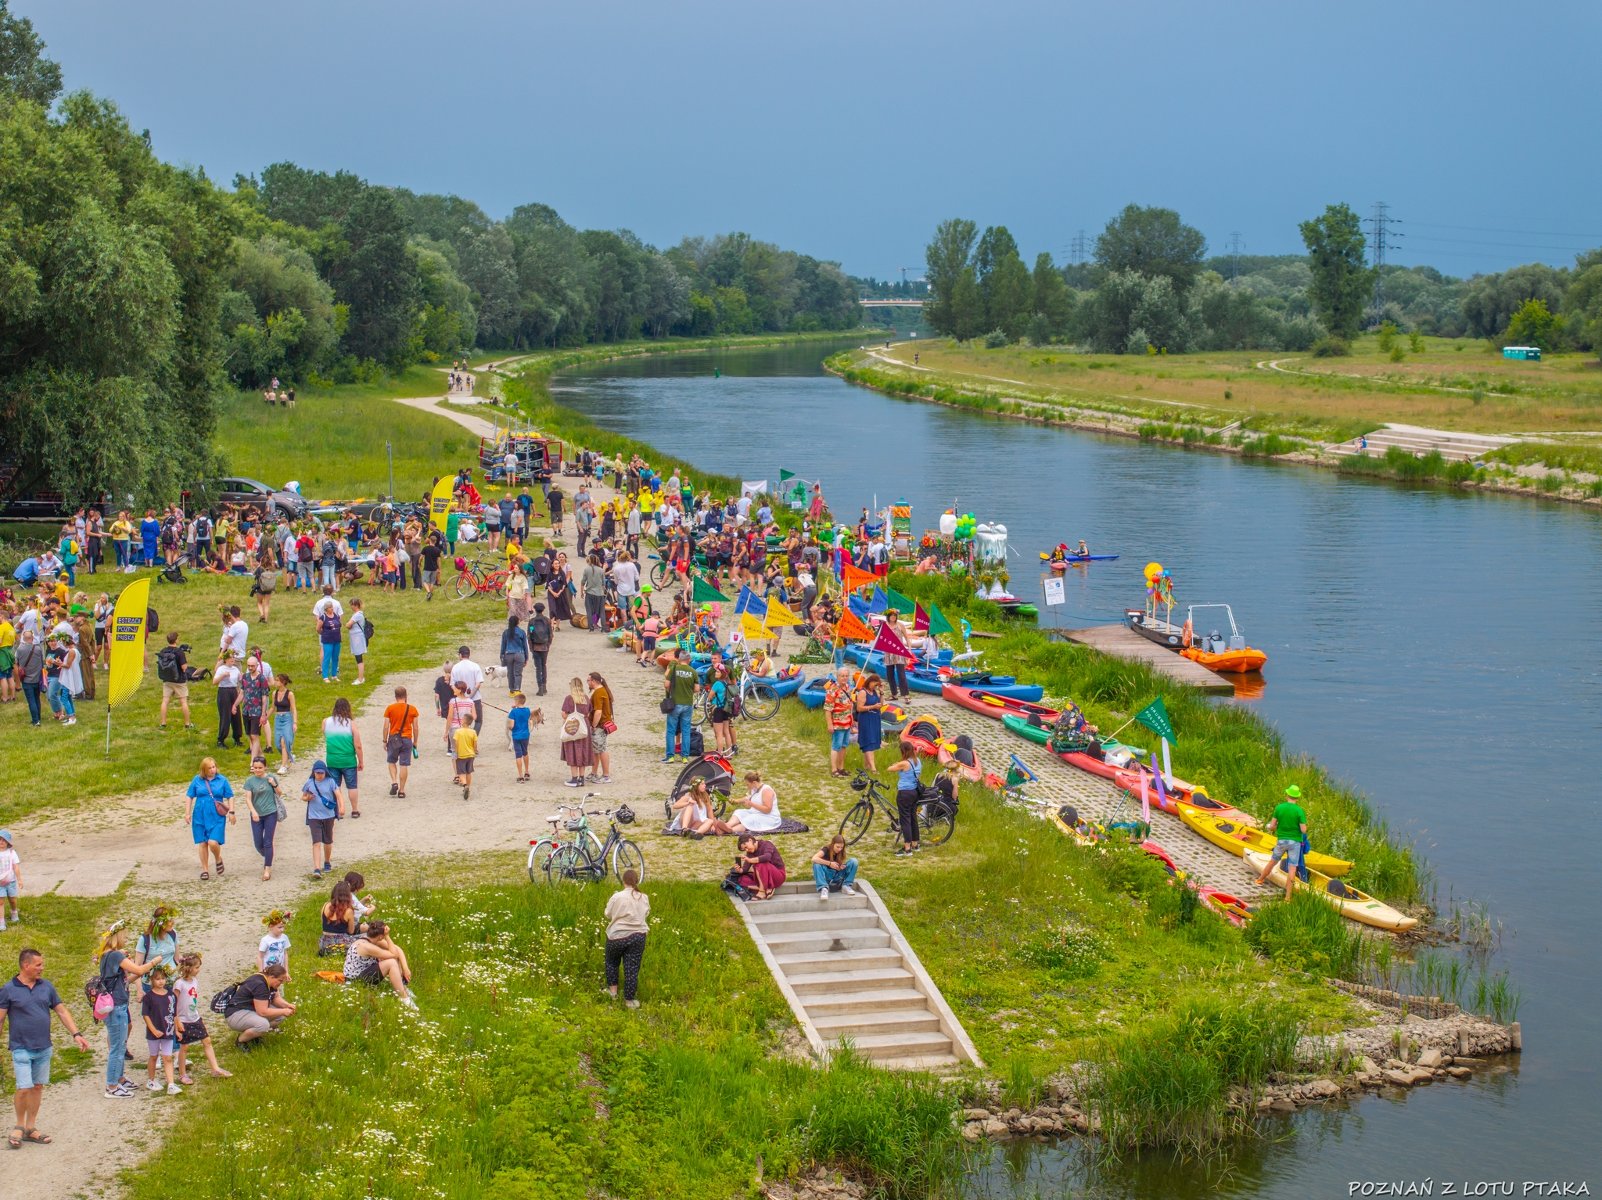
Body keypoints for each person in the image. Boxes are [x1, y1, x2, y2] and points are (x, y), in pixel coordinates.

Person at [0, 948, 92, 1146]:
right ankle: (18, 1126)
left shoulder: (46, 987)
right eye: (38, 964)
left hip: (43, 1047)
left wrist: (76, 1034)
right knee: (23, 1087)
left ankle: (31, 1128)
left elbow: (61, 1012)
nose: (42, 968)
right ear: (26, 965)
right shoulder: (8, 989)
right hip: (21, 1047)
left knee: (37, 1087)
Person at [93, 923, 157, 1098]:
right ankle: (112, 1086)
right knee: (117, 1047)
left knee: (120, 1045)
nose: (126, 939)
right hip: (117, 1006)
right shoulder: (114, 955)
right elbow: (139, 969)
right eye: (124, 936)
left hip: (118, 1003)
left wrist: (142, 971)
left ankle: (119, 1078)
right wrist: (154, 961)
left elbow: (127, 979)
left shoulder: (108, 955)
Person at [172, 954, 230, 1085]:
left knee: (207, 1041)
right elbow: (173, 1003)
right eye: (197, 967)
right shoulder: (179, 984)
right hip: (183, 1019)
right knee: (184, 1047)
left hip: (195, 1017)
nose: (199, 970)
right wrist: (176, 1021)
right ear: (188, 968)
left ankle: (215, 1068)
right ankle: (182, 1074)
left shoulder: (194, 981)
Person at [603, 868, 649, 1009]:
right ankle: (629, 1001)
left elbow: (607, 914)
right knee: (632, 968)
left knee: (612, 962)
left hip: (617, 935)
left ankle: (613, 992)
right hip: (638, 936)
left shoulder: (617, 897)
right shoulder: (644, 897)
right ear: (636, 881)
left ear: (623, 881)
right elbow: (646, 913)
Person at [342, 922, 416, 1008]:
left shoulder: (370, 939)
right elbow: (394, 954)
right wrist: (388, 936)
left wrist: (405, 968)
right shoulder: (367, 946)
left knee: (393, 958)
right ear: (381, 936)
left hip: (362, 971)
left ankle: (402, 987)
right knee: (391, 962)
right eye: (384, 936)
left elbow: (397, 949)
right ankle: (405, 999)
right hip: (355, 980)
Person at [1254, 784, 1309, 900]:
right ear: (1297, 798)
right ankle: (1288, 897)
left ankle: (1260, 880)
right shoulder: (1299, 811)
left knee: (1273, 861)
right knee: (1292, 868)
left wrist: (1277, 826)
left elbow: (1272, 826)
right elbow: (1303, 830)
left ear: (1287, 795)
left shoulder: (1279, 808)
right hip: (1295, 843)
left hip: (1282, 840)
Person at [184, 757, 236, 881]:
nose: (213, 770)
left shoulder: (222, 780)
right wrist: (187, 813)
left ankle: (218, 858)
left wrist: (232, 812)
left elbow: (230, 796)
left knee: (213, 842)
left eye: (214, 767)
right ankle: (205, 870)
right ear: (204, 770)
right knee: (202, 842)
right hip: (200, 815)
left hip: (216, 816)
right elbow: (189, 796)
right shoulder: (197, 780)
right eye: (210, 768)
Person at [223, 963, 294, 1050]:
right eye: (280, 980)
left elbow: (275, 998)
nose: (281, 983)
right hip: (236, 1014)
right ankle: (241, 1041)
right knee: (263, 1025)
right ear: (272, 977)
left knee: (280, 1016)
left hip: (250, 1010)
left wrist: (287, 1005)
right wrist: (283, 1011)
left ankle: (254, 1035)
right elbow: (262, 1012)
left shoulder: (267, 980)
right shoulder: (260, 985)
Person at [141, 965, 182, 1095]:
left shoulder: (171, 995)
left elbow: (174, 1013)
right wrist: (153, 1030)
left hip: (168, 1031)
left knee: (167, 1057)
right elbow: (145, 1015)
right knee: (154, 1056)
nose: (161, 981)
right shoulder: (148, 997)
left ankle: (171, 1084)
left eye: (163, 978)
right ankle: (151, 1080)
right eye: (157, 979)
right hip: (154, 1033)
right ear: (152, 980)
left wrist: (176, 1029)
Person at [241, 757, 283, 881]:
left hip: (271, 813)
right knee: (258, 843)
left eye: (260, 767)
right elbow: (248, 799)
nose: (258, 770)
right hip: (256, 815)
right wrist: (253, 812)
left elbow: (279, 793)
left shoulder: (270, 777)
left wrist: (274, 784)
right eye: (255, 768)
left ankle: (267, 869)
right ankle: (268, 855)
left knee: (268, 841)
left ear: (265, 767)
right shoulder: (250, 781)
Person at [322, 697, 364, 818]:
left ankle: (339, 809)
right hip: (348, 760)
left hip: (332, 760)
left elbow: (325, 735)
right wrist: (360, 761)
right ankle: (355, 810)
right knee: (352, 786)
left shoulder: (326, 722)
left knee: (335, 786)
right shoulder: (351, 724)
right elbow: (358, 745)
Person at [301, 761, 343, 877]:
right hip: (313, 817)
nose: (319, 775)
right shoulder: (309, 783)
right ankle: (317, 868)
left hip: (329, 816)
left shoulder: (330, 782)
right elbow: (303, 796)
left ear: (325, 772)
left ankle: (327, 861)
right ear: (313, 772)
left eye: (321, 773)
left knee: (328, 841)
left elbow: (338, 794)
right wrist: (307, 797)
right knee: (316, 842)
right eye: (317, 773)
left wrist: (342, 807)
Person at [382, 687, 418, 799]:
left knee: (391, 761)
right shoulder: (412, 709)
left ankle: (394, 782)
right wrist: (415, 742)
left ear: (395, 696)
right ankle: (402, 791)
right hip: (407, 738)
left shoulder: (390, 708)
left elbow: (386, 726)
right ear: (406, 696)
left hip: (394, 738)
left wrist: (384, 740)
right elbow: (415, 727)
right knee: (404, 764)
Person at [888, 740, 923, 857]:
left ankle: (907, 848)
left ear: (903, 751)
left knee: (905, 820)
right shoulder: (917, 761)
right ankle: (915, 844)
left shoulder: (904, 763)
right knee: (913, 818)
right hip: (914, 792)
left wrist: (895, 764)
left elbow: (890, 769)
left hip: (904, 794)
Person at [661, 648, 697, 763]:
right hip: (687, 703)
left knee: (671, 730)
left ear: (679, 659)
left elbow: (666, 684)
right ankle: (685, 756)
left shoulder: (674, 669)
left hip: (675, 703)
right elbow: (696, 689)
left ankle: (670, 756)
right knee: (686, 730)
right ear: (688, 659)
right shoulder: (693, 671)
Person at [157, 632, 195, 731]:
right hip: (179, 681)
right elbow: (184, 668)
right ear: (176, 640)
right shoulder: (179, 652)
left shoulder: (163, 651)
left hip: (167, 680)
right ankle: (187, 724)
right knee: (183, 702)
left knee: (165, 701)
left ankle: (163, 723)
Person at [558, 677, 592, 788]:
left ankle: (574, 779)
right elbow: (589, 713)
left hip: (573, 727)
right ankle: (581, 778)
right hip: (584, 726)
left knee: (572, 750)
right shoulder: (586, 698)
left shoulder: (569, 698)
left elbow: (564, 714)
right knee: (583, 751)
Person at [824, 667, 856, 777]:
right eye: (842, 676)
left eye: (846, 676)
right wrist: (830, 724)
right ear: (837, 677)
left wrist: (852, 720)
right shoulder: (832, 690)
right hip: (837, 723)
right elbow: (828, 709)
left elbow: (850, 706)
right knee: (836, 746)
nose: (844, 678)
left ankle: (841, 767)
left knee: (844, 746)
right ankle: (834, 770)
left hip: (847, 722)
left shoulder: (848, 688)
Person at [734, 835, 786, 901]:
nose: (746, 850)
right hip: (764, 876)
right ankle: (768, 888)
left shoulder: (767, 844)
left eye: (746, 847)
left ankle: (762, 891)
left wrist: (750, 860)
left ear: (750, 840)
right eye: (744, 849)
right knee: (741, 879)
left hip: (778, 876)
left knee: (760, 864)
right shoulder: (750, 852)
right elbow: (745, 869)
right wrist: (739, 870)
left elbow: (767, 857)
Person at [450, 644, 486, 732]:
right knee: (478, 721)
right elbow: (478, 684)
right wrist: (470, 696)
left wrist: (462, 696)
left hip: (459, 699)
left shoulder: (455, 667)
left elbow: (452, 685)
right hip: (475, 698)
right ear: (469, 654)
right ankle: (473, 737)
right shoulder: (475, 666)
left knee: (460, 720)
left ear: (460, 655)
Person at [854, 672, 885, 773]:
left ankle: (867, 765)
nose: (875, 686)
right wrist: (872, 707)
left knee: (873, 740)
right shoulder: (863, 692)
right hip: (866, 718)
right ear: (870, 682)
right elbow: (859, 708)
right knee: (868, 742)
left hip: (875, 718)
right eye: (875, 684)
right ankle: (873, 768)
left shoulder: (874, 692)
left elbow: (881, 704)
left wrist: (881, 692)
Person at [318, 881, 360, 955]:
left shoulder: (325, 905)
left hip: (324, 942)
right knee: (366, 938)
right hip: (341, 942)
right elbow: (351, 931)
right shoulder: (348, 910)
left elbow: (323, 923)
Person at [587, 672, 613, 784]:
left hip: (600, 726)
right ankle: (594, 773)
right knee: (596, 750)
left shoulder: (598, 693)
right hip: (602, 725)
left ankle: (606, 775)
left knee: (601, 750)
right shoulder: (602, 691)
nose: (587, 683)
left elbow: (598, 711)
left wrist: (593, 725)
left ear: (593, 681)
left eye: (588, 680)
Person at [313, 586, 343, 682]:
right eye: (330, 607)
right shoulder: (323, 617)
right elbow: (318, 628)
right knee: (327, 656)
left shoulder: (335, 615)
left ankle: (334, 674)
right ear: (326, 609)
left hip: (336, 638)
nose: (332, 609)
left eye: (332, 607)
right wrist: (323, 632)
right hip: (327, 638)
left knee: (335, 657)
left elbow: (339, 621)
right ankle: (325, 675)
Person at [271, 673, 297, 774]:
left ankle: (283, 766)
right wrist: (264, 717)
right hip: (278, 719)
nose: (275, 682)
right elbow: (273, 708)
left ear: (283, 682)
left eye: (277, 680)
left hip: (287, 718)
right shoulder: (274, 693)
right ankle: (289, 756)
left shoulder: (290, 694)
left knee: (284, 742)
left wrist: (295, 722)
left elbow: (293, 709)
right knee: (277, 743)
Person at [507, 692, 534, 783]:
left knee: (518, 755)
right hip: (525, 735)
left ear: (517, 701)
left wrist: (509, 725)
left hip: (516, 736)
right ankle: (526, 771)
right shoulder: (527, 710)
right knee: (525, 753)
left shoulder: (513, 712)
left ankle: (520, 775)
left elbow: (511, 725)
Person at [527, 604, 552, 696]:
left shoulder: (532, 622)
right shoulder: (547, 620)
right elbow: (550, 635)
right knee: (544, 665)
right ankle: (544, 686)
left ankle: (540, 687)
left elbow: (530, 634)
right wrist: (548, 645)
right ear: (543, 610)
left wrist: (531, 647)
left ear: (535, 610)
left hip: (536, 647)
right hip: (544, 647)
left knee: (538, 668)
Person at [500, 615, 529, 694]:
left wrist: (502, 655)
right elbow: (525, 646)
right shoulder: (521, 632)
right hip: (519, 654)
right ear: (518, 622)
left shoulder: (506, 632)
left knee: (510, 673)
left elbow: (503, 645)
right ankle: (517, 689)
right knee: (518, 673)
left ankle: (511, 690)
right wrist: (526, 657)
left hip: (508, 654)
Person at [452, 718, 478, 799]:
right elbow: (475, 744)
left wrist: (456, 753)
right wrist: (474, 751)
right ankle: (468, 788)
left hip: (461, 755)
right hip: (470, 755)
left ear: (464, 721)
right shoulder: (473, 732)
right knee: (468, 772)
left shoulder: (458, 731)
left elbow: (456, 743)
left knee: (461, 773)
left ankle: (465, 785)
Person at [345, 599, 369, 685]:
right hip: (356, 638)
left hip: (357, 638)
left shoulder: (357, 615)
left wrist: (347, 624)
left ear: (355, 605)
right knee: (358, 658)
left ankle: (360, 678)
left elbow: (348, 625)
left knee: (359, 658)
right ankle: (360, 677)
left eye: (351, 605)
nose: (351, 607)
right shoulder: (357, 614)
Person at [0, 831, 19, 930]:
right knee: (0, 902)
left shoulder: (12, 853)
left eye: (4, 840)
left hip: (11, 881)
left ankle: (14, 911)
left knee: (12, 900)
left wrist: (19, 879)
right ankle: (1, 922)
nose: (1, 842)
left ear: (8, 842)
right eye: (0, 839)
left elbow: (16, 867)